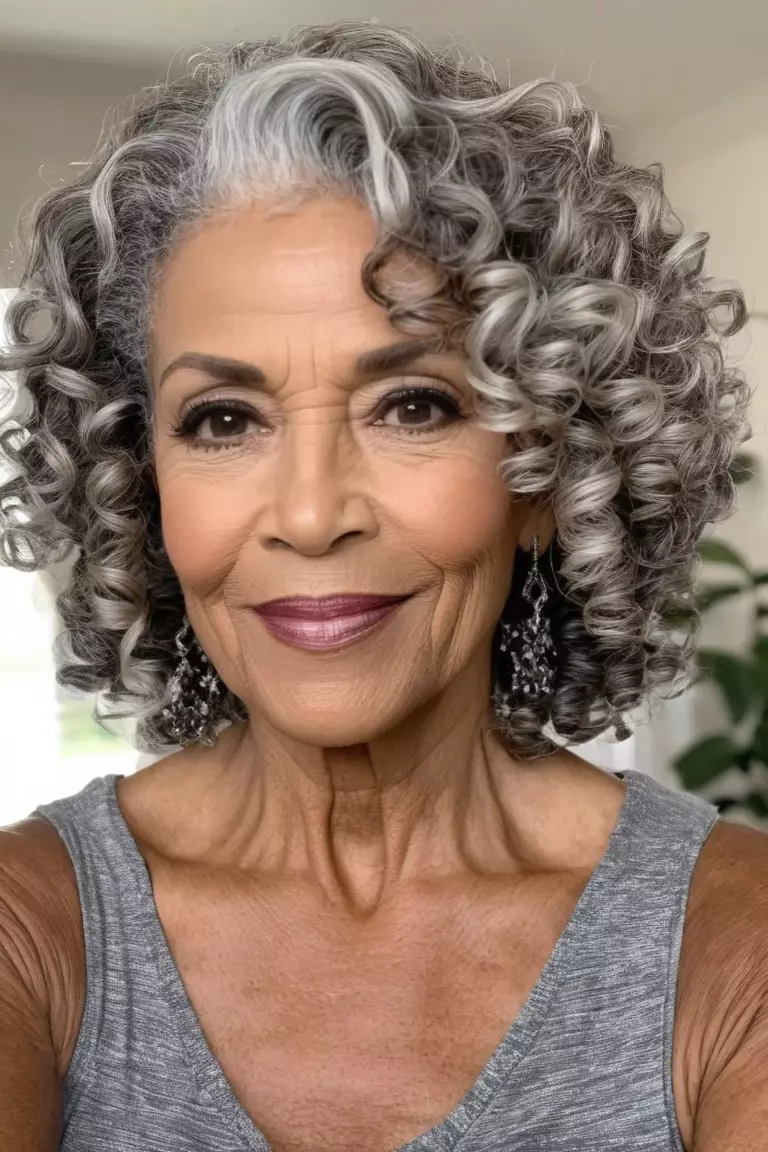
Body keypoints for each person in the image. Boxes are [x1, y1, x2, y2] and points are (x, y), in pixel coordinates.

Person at [0, 19, 764, 1152]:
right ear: (137, 476)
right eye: (223, 420)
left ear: (549, 467)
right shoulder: (32, 931)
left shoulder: (733, 938)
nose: (311, 515)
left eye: (414, 406)